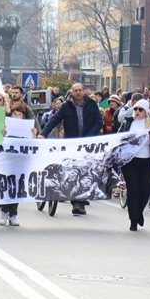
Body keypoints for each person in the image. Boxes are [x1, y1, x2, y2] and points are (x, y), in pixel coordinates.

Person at [40, 83, 103, 215]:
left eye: (80, 90)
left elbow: (98, 122)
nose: (78, 92)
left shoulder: (92, 104)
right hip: (72, 144)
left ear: (84, 91)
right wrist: (43, 134)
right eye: (76, 90)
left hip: (87, 144)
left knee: (84, 172)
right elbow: (54, 120)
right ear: (72, 92)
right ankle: (75, 200)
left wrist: (89, 137)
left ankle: (79, 203)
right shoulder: (66, 106)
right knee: (74, 171)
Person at [118, 99, 150, 231]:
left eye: (140, 109)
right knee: (133, 191)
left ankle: (139, 212)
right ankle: (133, 220)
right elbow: (118, 138)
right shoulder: (128, 123)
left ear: (146, 111)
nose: (137, 111)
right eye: (135, 109)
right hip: (130, 161)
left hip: (147, 161)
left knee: (145, 191)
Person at [0, 104, 40, 226]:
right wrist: (3, 133)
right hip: (8, 159)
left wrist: (34, 135)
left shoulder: (27, 128)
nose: (17, 117)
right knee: (7, 185)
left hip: (21, 160)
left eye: (19, 115)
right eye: (15, 114)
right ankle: (4, 211)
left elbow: (32, 146)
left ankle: (13, 214)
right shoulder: (6, 126)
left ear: (23, 116)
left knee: (18, 186)